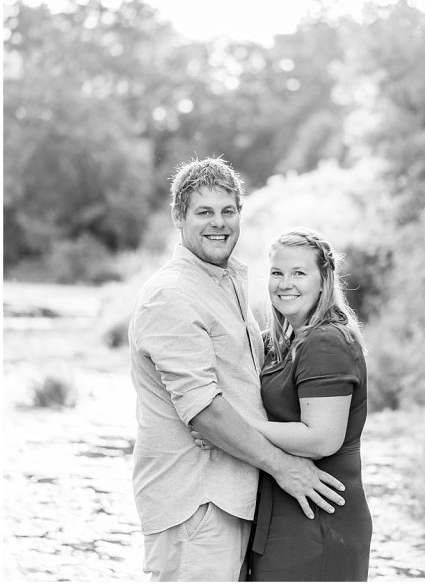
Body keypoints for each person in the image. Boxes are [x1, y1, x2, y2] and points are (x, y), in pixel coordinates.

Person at [129, 158, 345, 581]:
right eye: (204, 212)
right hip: (195, 504)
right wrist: (284, 468)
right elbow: (204, 411)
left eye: (228, 211)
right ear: (178, 216)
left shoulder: (224, 284)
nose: (219, 223)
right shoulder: (171, 296)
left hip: (231, 498)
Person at [243, 228, 372, 581]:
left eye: (299, 273)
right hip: (288, 514)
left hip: (320, 520)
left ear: (324, 280)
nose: (286, 284)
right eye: (277, 273)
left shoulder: (324, 342)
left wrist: (238, 426)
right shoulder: (283, 342)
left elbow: (322, 438)